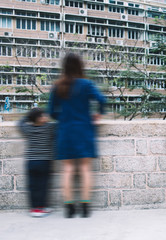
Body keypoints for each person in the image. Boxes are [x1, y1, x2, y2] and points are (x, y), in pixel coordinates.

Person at [48, 53, 106, 218]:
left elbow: (51, 112)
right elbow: (101, 100)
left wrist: (65, 119)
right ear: (80, 66)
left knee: (67, 170)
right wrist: (98, 115)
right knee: (85, 169)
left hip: (65, 132)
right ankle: (85, 207)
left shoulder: (58, 86)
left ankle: (69, 208)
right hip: (84, 131)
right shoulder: (86, 84)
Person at [18, 108, 56, 217]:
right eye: (44, 115)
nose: (46, 116)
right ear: (39, 119)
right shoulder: (49, 128)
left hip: (31, 162)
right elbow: (58, 124)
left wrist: (29, 117)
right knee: (43, 185)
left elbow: (20, 123)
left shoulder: (28, 128)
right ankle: (41, 207)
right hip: (44, 161)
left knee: (33, 186)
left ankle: (34, 208)